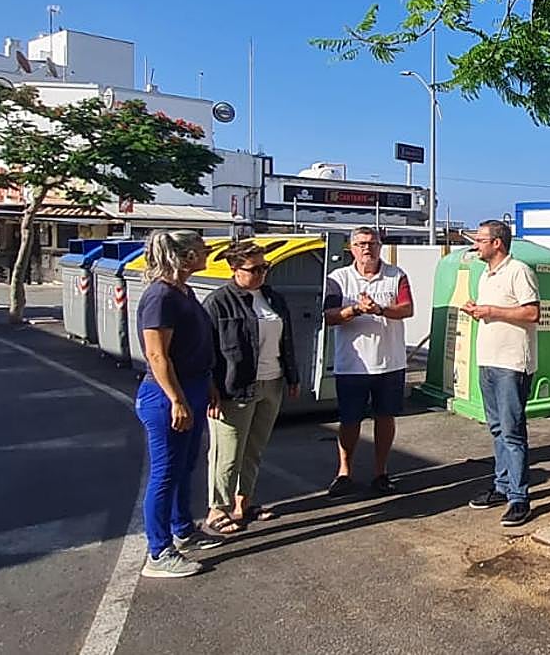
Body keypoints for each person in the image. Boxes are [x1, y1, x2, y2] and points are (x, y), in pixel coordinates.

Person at [134, 229, 223, 578]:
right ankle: (158, 552)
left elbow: (195, 345)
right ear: (185, 257)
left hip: (195, 387)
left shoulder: (182, 292)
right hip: (167, 395)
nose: (207, 254)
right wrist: (176, 399)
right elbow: (157, 355)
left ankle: (183, 529)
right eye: (202, 249)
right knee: (165, 472)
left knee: (185, 466)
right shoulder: (160, 296)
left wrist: (209, 383)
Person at [202, 240, 300, 535]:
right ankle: (216, 509)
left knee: (254, 448)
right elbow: (205, 349)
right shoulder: (218, 302)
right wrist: (210, 388)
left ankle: (243, 504)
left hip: (272, 381)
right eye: (254, 269)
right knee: (227, 452)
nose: (261, 274)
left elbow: (287, 340)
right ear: (234, 269)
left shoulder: (273, 298)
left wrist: (292, 377)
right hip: (235, 387)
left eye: (265, 267)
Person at [323, 226, 414, 497]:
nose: (367, 249)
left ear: (380, 246)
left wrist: (380, 309)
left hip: (390, 363)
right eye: (361, 244)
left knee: (385, 418)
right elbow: (328, 315)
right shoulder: (338, 278)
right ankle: (343, 472)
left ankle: (381, 471)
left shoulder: (396, 275)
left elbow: (407, 308)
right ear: (351, 248)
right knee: (350, 420)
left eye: (372, 243)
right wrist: (354, 310)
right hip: (353, 364)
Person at [463, 220, 540, 527]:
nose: (475, 245)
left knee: (512, 431)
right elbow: (492, 309)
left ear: (497, 243)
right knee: (497, 428)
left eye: (480, 239)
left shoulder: (519, 271)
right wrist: (478, 309)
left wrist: (491, 311)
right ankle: (502, 486)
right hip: (489, 361)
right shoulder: (486, 274)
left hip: (511, 364)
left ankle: (520, 498)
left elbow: (532, 312)